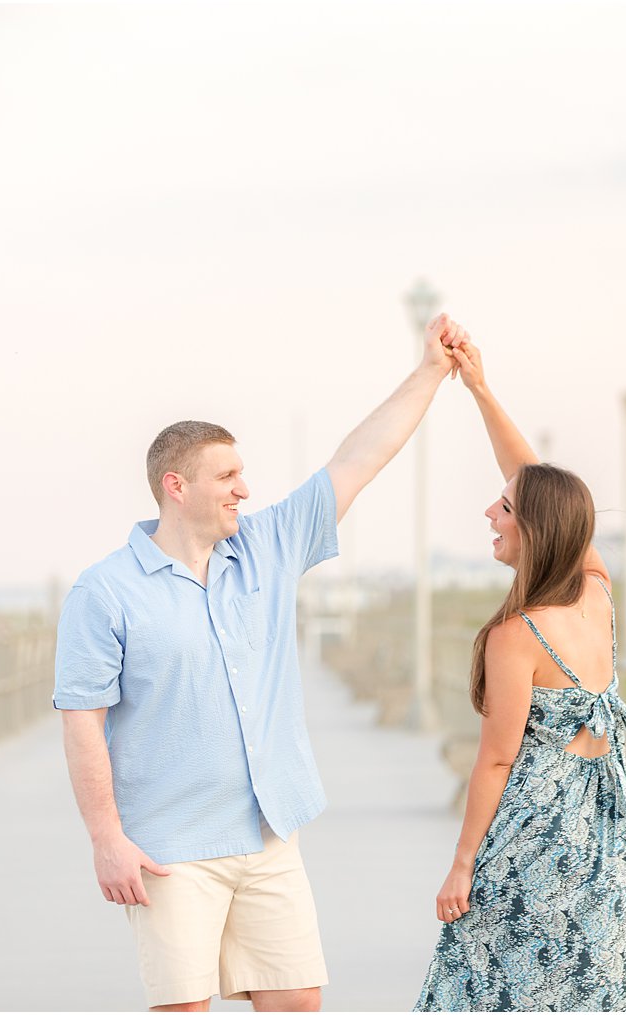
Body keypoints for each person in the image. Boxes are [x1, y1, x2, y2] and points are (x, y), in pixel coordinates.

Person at [54, 313, 464, 1013]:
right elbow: (83, 722)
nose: (245, 487)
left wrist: (429, 371)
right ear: (176, 486)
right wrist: (106, 839)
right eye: (228, 475)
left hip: (270, 831)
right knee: (183, 1008)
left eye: (244, 473)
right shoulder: (105, 591)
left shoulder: (268, 549)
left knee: (298, 1001)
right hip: (168, 845)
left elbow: (357, 459)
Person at [415, 330, 626, 1012]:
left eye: (505, 509)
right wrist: (481, 390)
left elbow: (495, 761)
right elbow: (544, 491)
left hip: (537, 832)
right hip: (609, 828)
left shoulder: (517, 636)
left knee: (488, 986)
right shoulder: (598, 596)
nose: (491, 513)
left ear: (535, 530)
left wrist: (462, 863)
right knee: (586, 989)